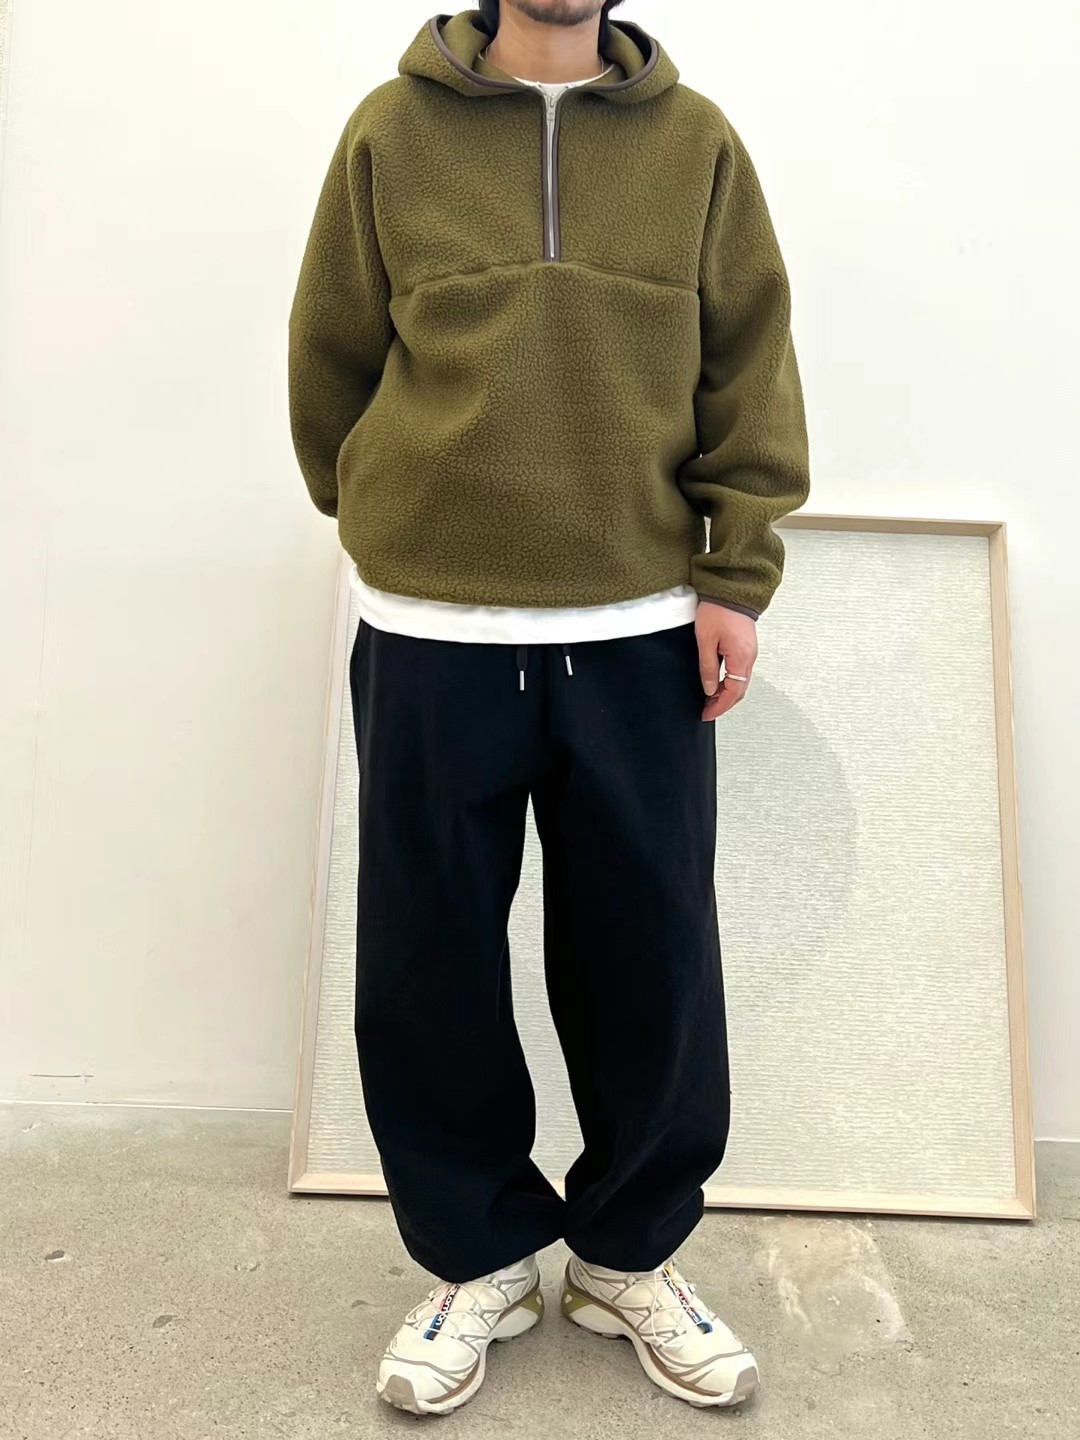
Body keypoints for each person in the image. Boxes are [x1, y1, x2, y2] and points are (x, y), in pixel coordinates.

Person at [288, 0, 810, 1417]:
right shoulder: (391, 134)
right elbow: (330, 361)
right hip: (431, 625)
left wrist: (735, 574)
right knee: (429, 959)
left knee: (652, 955)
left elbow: (750, 363)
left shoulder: (697, 145)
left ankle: (628, 1254)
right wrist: (395, 513)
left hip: (638, 624)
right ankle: (480, 1257)